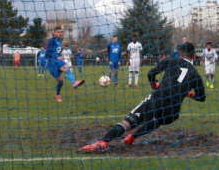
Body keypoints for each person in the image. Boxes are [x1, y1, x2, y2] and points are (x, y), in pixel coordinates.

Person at [77, 42, 206, 153]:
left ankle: (102, 143)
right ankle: (132, 137)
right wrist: (188, 93)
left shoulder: (172, 61)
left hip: (157, 99)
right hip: (173, 111)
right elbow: (202, 98)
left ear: (180, 53)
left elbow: (151, 73)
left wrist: (153, 84)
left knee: (129, 121)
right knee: (158, 120)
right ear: (194, 56)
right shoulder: (196, 74)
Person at [46, 27, 85, 102]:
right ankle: (57, 94)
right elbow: (48, 52)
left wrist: (60, 57)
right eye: (58, 32)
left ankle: (74, 83)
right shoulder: (51, 40)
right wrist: (57, 57)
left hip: (58, 61)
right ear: (54, 33)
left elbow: (56, 51)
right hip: (51, 63)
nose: (60, 33)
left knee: (66, 67)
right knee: (60, 82)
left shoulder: (60, 40)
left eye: (61, 32)